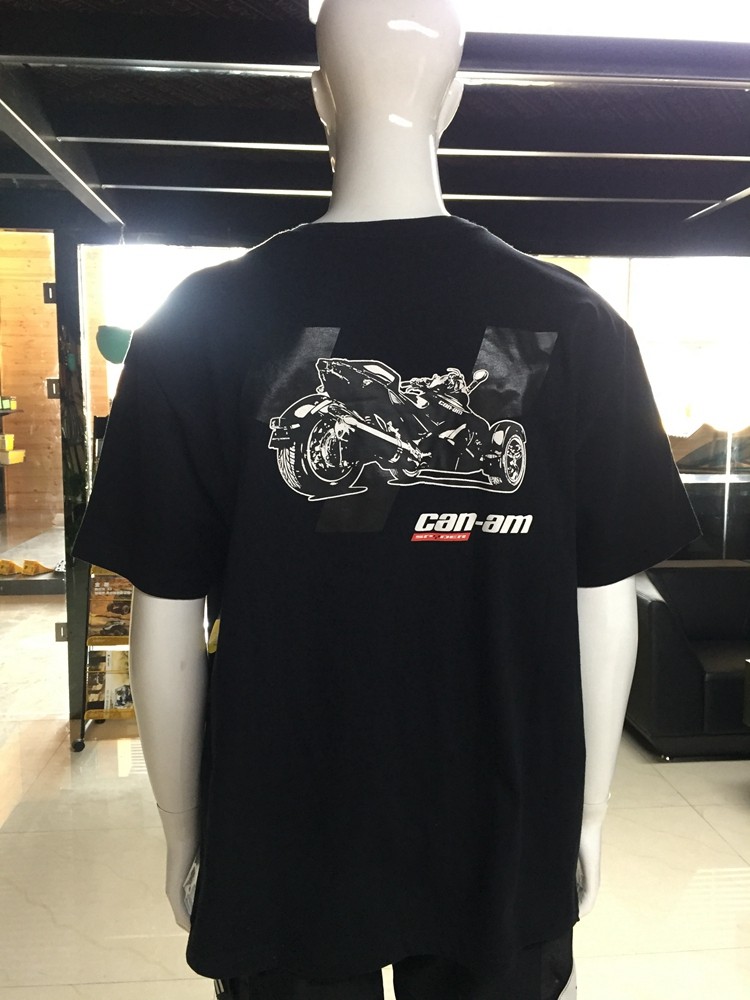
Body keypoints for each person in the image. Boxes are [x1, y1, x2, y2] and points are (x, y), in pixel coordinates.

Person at [73, 2, 699, 998]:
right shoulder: (580, 321)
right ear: (453, 102)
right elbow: (604, 599)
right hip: (500, 812)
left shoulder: (197, 322)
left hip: (283, 817)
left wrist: (184, 827)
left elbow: (166, 604)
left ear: (320, 99)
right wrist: (582, 817)